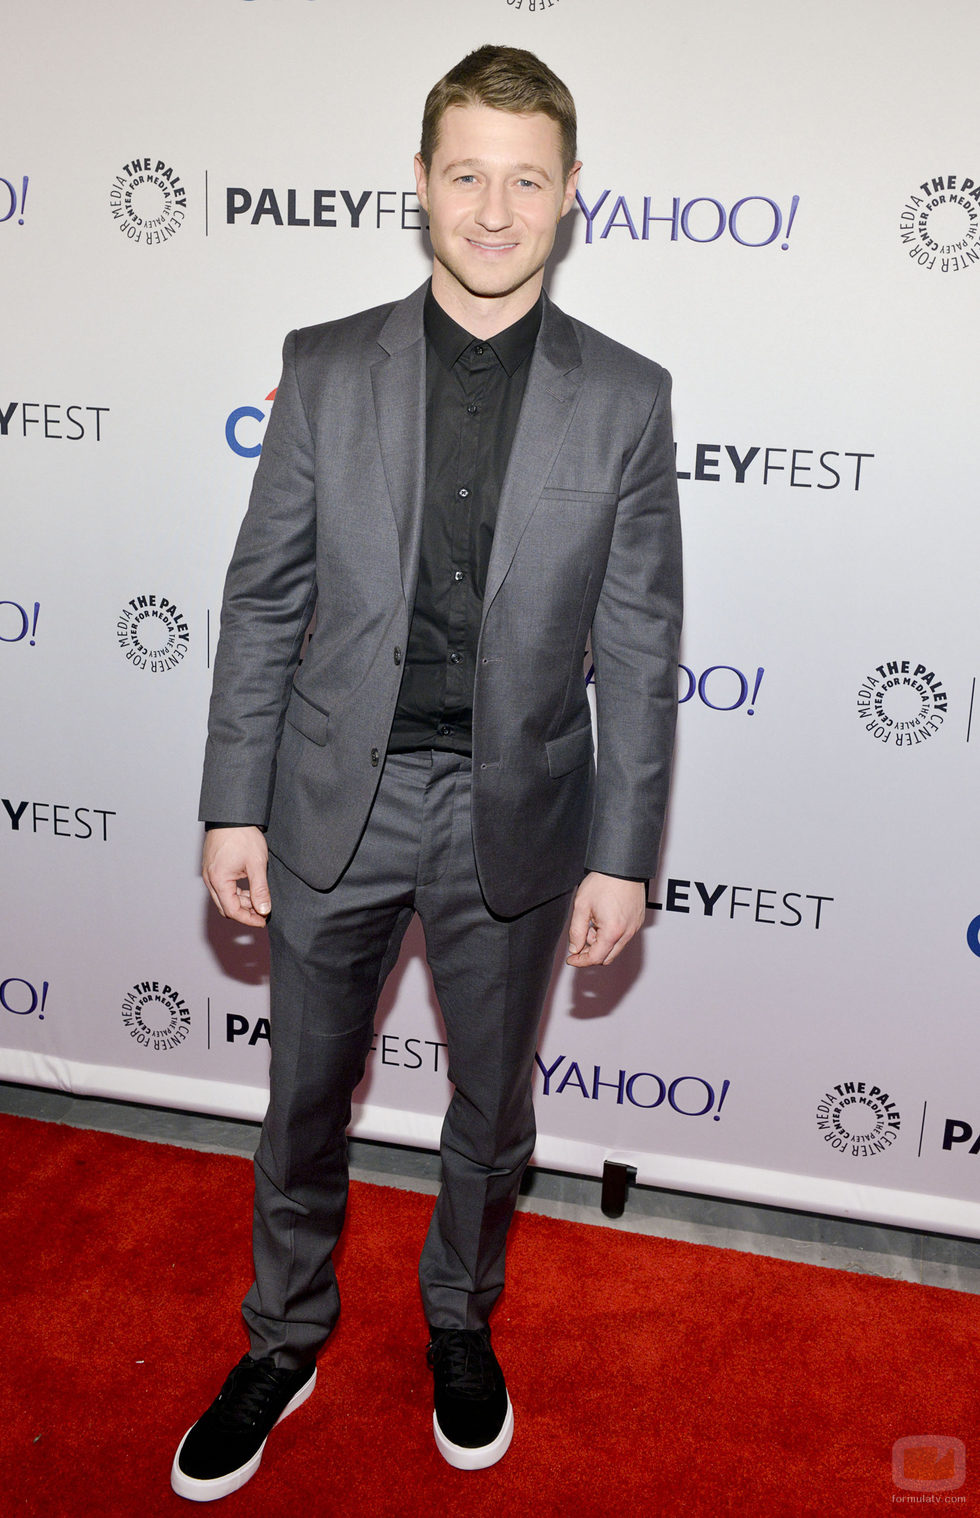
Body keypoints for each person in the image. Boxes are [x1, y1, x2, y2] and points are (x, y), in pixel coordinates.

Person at [171, 42, 682, 1501]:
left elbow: (643, 650)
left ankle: (461, 1318)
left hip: (520, 814)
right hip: (337, 796)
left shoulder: (629, 399)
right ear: (421, 185)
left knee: (491, 1113)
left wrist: (623, 848)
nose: (496, 206)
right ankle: (283, 1338)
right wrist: (230, 801)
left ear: (572, 195)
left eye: (528, 178)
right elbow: (264, 595)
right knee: (302, 1096)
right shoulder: (328, 368)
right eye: (468, 173)